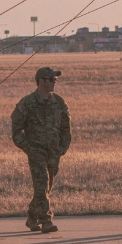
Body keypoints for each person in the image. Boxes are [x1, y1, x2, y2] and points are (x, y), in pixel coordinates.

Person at [11, 67, 72, 234]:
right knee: (42, 182)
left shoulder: (59, 102)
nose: (54, 82)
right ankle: (46, 220)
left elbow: (66, 127)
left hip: (54, 151)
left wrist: (63, 147)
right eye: (51, 79)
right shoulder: (27, 103)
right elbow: (16, 130)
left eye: (55, 80)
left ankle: (32, 216)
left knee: (45, 186)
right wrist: (28, 148)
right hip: (36, 150)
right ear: (41, 82)